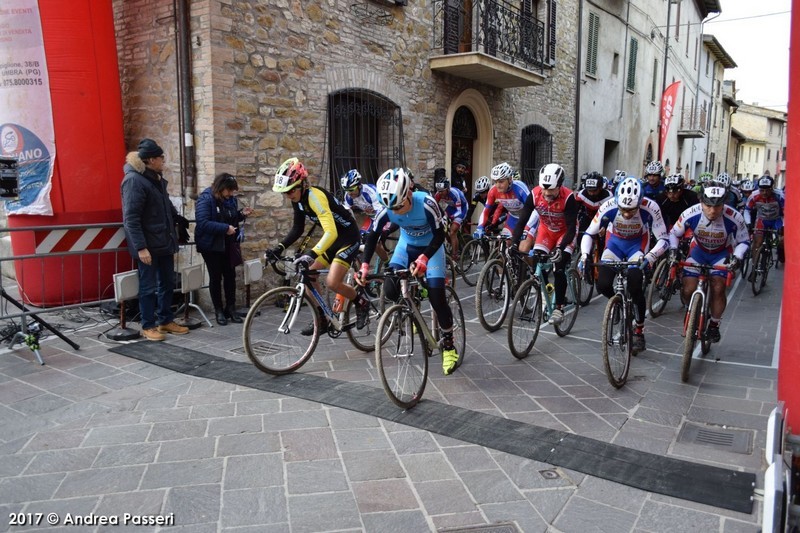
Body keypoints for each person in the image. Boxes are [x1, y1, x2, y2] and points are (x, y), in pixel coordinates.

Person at [356, 168, 461, 375]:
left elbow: (440, 235)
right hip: (406, 245)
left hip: (431, 248)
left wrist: (424, 258)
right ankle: (412, 307)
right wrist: (364, 266)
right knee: (390, 288)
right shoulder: (388, 208)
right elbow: (373, 236)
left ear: (409, 194)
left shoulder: (427, 203)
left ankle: (449, 345)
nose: (395, 212)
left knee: (437, 297)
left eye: (398, 206)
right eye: (391, 208)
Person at [265, 157, 369, 335]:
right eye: (285, 193)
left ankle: (361, 303)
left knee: (332, 282)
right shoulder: (297, 200)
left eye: (290, 191)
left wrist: (312, 254)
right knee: (309, 275)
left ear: (302, 184)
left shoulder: (315, 197)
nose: (288, 195)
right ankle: (321, 319)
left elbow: (331, 232)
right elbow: (297, 228)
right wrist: (279, 248)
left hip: (348, 237)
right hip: (333, 239)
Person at [578, 177, 669, 352]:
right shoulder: (608, 205)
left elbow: (664, 240)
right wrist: (584, 256)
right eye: (623, 209)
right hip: (615, 243)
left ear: (640, 202)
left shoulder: (650, 207)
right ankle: (618, 303)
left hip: (637, 245)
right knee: (603, 284)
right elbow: (589, 233)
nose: (627, 214)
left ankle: (639, 331)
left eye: (631, 210)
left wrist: (650, 257)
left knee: (635, 285)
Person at [121, 138, 190, 341]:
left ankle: (165, 320)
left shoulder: (155, 179)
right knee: (148, 287)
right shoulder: (134, 181)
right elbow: (131, 218)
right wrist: (141, 247)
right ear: (151, 160)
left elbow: (165, 205)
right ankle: (148, 325)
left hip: (163, 242)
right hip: (148, 246)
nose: (164, 161)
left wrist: (177, 219)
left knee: (167, 283)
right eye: (161, 157)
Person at [670, 182, 749, 343]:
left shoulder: (734, 217)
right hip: (698, 251)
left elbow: (744, 241)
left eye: (717, 206)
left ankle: (714, 324)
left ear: (724, 204)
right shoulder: (690, 213)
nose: (712, 211)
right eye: (708, 206)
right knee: (688, 289)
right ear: (701, 202)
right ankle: (691, 309)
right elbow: (674, 234)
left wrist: (737, 257)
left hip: (721, 253)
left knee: (718, 287)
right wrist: (673, 250)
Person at [512, 163, 579, 325]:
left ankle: (559, 307)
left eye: (551, 190)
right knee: (537, 263)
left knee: (559, 266)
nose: (547, 193)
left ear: (560, 186)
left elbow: (571, 228)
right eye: (544, 189)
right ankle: (548, 291)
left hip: (565, 233)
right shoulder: (535, 195)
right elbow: (522, 221)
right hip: (546, 231)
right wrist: (514, 243)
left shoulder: (569, 198)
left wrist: (560, 248)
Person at [195, 172, 253, 325]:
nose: (231, 194)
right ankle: (219, 310)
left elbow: (231, 218)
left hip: (228, 244)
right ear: (221, 188)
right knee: (215, 277)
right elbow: (203, 222)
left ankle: (231, 308)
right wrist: (225, 228)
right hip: (211, 245)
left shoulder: (230, 200)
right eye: (229, 190)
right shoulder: (206, 199)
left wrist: (241, 214)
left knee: (230, 276)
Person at [340, 169, 389, 264]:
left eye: (351, 190)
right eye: (346, 190)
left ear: (359, 185)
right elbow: (347, 213)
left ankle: (387, 263)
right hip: (371, 218)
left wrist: (373, 234)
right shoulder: (348, 196)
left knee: (373, 241)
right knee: (359, 240)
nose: (349, 193)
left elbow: (380, 213)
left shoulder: (371, 192)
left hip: (384, 217)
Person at [474, 162, 530, 240]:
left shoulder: (519, 188)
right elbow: (485, 211)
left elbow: (533, 210)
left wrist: (527, 229)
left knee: (525, 244)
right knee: (505, 240)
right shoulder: (493, 191)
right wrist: (480, 227)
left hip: (528, 218)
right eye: (495, 182)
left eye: (501, 181)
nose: (497, 185)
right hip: (513, 217)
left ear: (510, 179)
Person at [745, 175, 785, 271]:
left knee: (781, 241)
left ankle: (781, 255)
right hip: (762, 220)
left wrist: (783, 226)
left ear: (772, 188)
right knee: (757, 243)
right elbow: (747, 210)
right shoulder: (754, 196)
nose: (764, 193)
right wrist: (749, 223)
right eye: (762, 190)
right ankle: (754, 267)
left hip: (777, 220)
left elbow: (787, 212)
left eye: (767, 190)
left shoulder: (780, 195)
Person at [433, 175, 468, 259]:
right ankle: (450, 241)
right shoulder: (438, 194)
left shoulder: (454, 193)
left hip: (461, 209)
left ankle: (455, 256)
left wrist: (449, 216)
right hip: (451, 208)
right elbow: (434, 207)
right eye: (438, 191)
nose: (440, 193)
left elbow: (459, 211)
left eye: (442, 191)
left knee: (452, 232)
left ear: (448, 189)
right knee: (442, 228)